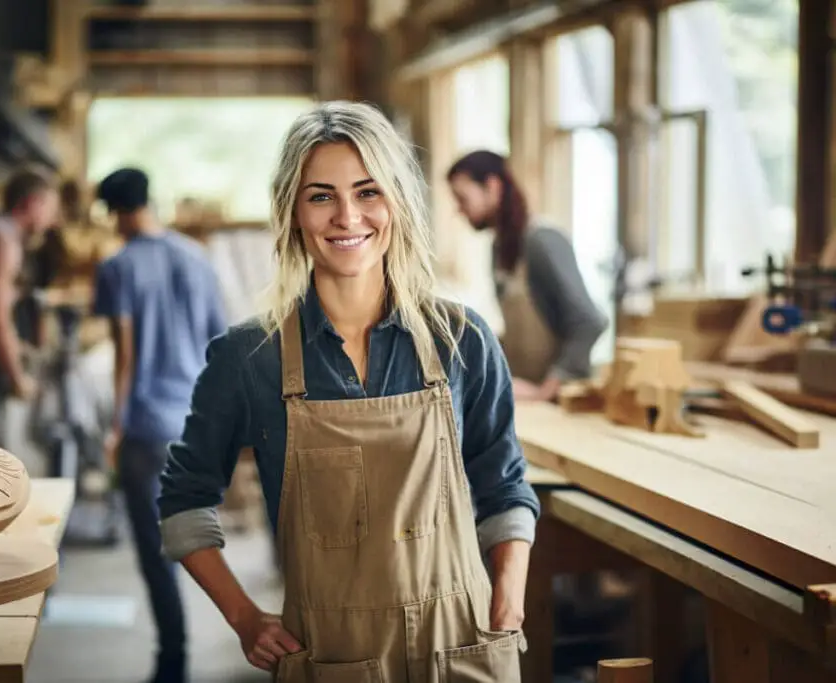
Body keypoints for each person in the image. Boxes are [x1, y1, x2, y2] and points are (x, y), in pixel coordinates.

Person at [158, 101, 539, 681]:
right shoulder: (249, 358)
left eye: (367, 192)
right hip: (333, 658)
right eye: (320, 196)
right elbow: (184, 501)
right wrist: (243, 618)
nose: (346, 216)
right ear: (292, 211)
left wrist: (507, 600)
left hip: (465, 648)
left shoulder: (461, 338)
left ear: (398, 203)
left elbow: (504, 483)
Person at [94, 167, 227, 683]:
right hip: (192, 424)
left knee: (157, 552)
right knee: (192, 536)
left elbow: (125, 353)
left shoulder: (118, 266)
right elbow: (221, 345)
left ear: (115, 212)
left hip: (146, 426)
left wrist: (114, 428)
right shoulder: (197, 258)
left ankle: (173, 660)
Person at [447, 150, 608, 402]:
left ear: (492, 187)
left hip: (562, 402)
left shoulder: (542, 241)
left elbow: (589, 323)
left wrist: (545, 391)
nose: (459, 210)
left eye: (462, 198)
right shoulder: (500, 249)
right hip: (527, 400)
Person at [0, 166, 59, 446]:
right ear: (33, 203)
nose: (52, 221)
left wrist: (17, 349)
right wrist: (18, 378)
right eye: (51, 209)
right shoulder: (3, 240)